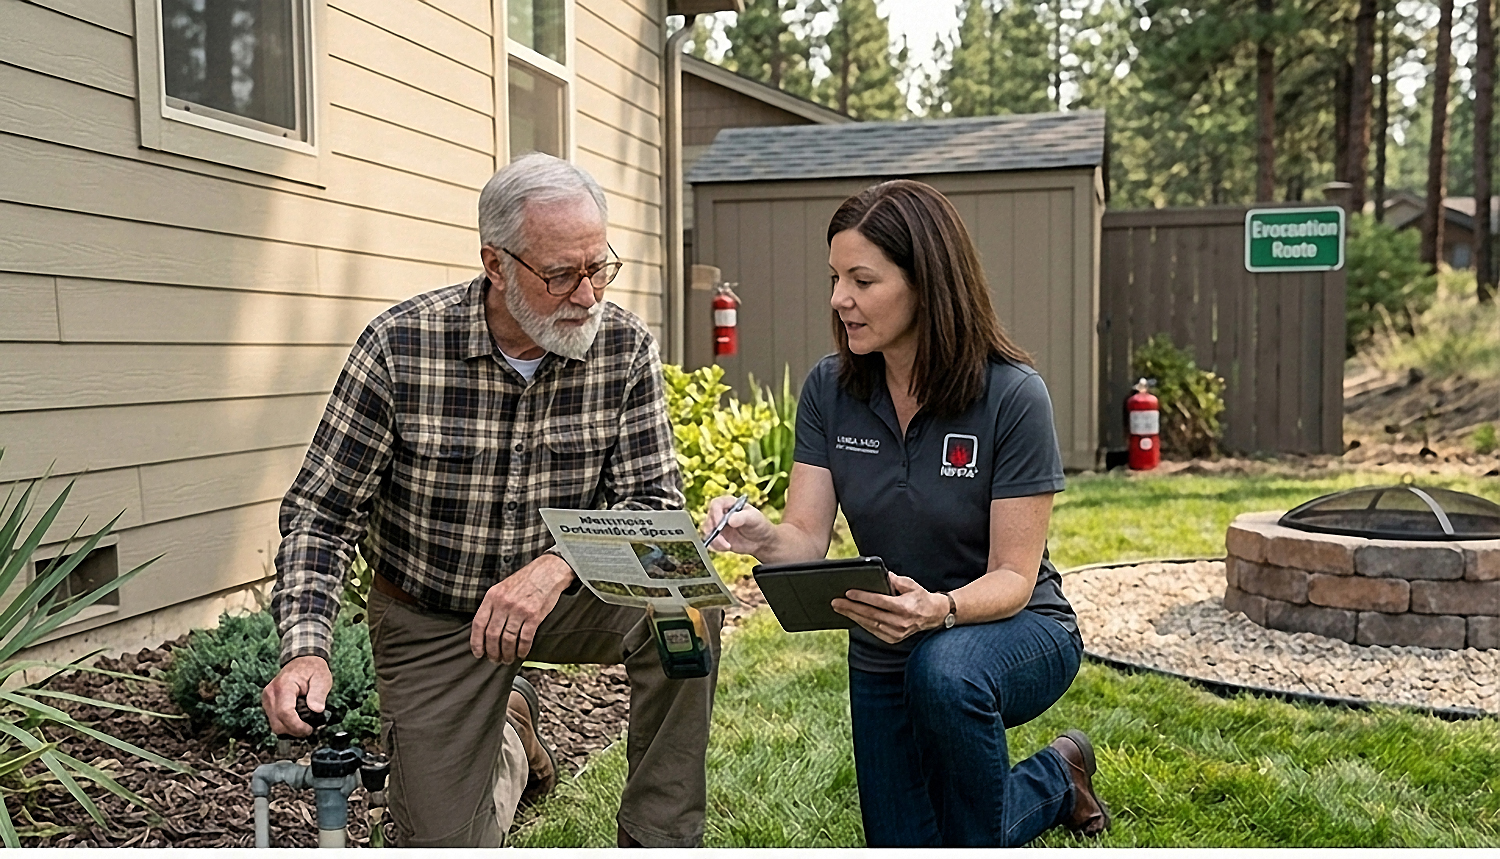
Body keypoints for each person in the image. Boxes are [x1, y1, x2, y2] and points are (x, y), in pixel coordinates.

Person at [262, 152, 722, 848]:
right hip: (434, 613)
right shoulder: (400, 347)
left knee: (681, 599)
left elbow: (655, 507)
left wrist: (558, 564)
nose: (589, 295)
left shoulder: (624, 348)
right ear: (495, 263)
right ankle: (508, 731)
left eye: (599, 267)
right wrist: (306, 649)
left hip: (568, 597)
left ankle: (659, 837)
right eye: (561, 274)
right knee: (441, 843)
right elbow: (322, 515)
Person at [701, 179, 1109, 847]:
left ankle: (1017, 797)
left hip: (1013, 625)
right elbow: (804, 537)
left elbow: (1012, 574)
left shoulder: (1012, 395)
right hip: (887, 639)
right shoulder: (830, 388)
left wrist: (940, 609)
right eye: (835, 277)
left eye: (862, 279)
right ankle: (1058, 776)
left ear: (927, 282)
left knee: (944, 672)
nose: (839, 299)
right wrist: (761, 537)